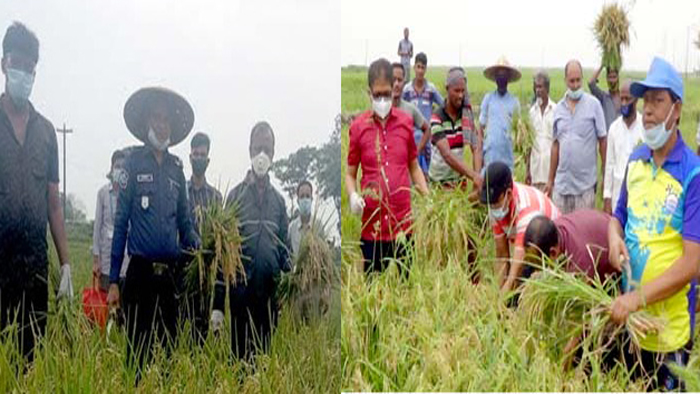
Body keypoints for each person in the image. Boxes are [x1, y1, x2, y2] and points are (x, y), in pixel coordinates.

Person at [608, 57, 700, 391]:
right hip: (634, 328)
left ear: (676, 109)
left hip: (669, 333)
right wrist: (613, 238)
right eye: (645, 100)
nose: (647, 110)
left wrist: (636, 298)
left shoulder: (692, 173)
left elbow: (692, 262)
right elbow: (618, 217)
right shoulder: (636, 160)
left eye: (657, 101)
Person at [108, 87, 199, 381]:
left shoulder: (176, 171)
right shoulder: (133, 164)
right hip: (139, 276)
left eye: (166, 120)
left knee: (168, 360)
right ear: (147, 121)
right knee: (136, 358)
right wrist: (112, 281)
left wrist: (204, 249)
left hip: (168, 279)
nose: (162, 124)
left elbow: (185, 226)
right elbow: (121, 223)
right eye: (156, 118)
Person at [0, 22, 73, 362]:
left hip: (34, 270)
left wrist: (67, 264)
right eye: (18, 64)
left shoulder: (46, 132)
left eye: (31, 68)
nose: (24, 74)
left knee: (31, 363)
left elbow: (54, 204)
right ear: (4, 64)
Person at [211, 121, 291, 360]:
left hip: (268, 302)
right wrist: (217, 306)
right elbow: (222, 255)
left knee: (264, 367)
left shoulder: (279, 203)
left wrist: (287, 289)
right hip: (240, 299)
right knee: (239, 366)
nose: (262, 155)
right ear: (249, 150)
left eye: (267, 149)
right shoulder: (235, 198)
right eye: (258, 148)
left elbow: (285, 252)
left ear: (274, 154)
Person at [346, 58, 428, 276]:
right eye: (377, 95)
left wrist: (428, 198)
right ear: (369, 93)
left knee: (405, 287)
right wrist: (353, 196)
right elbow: (350, 174)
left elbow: (414, 167)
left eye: (386, 94)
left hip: (403, 226)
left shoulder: (405, 123)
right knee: (374, 289)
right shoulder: (358, 128)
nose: (382, 100)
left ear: (394, 90)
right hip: (372, 228)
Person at [481, 162, 560, 293]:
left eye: (495, 202)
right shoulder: (496, 207)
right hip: (530, 249)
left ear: (509, 194)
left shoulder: (526, 210)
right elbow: (501, 255)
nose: (492, 208)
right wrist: (498, 291)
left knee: (527, 286)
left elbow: (517, 268)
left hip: (549, 251)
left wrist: (501, 301)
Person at [545, 60, 607, 214]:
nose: (575, 85)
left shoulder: (594, 105)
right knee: (561, 232)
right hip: (562, 186)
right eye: (571, 81)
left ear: (582, 78)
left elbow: (603, 142)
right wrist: (550, 180)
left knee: (582, 234)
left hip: (584, 188)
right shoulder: (558, 109)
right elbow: (555, 145)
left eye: (578, 80)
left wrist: (605, 174)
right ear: (565, 80)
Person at [181, 131, 222, 345]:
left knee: (199, 333)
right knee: (178, 328)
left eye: (202, 154)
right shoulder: (181, 192)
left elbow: (219, 238)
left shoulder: (215, 198)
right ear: (190, 157)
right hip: (182, 271)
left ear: (207, 160)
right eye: (195, 154)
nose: (198, 158)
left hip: (205, 276)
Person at [523, 210, 617, 281]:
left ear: (553, 253)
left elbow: (581, 296)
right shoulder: (555, 230)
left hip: (620, 256)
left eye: (541, 264)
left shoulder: (580, 257)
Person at [428, 67, 482, 190]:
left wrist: (477, 177)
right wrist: (473, 176)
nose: (460, 95)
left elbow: (476, 147)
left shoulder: (466, 114)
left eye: (463, 91)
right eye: (456, 91)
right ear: (447, 89)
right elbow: (447, 155)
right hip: (439, 184)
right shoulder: (437, 118)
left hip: (459, 183)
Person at [603, 80, 643, 215]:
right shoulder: (614, 129)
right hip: (617, 195)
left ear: (636, 100)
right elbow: (609, 164)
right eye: (622, 99)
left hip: (639, 193)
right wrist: (607, 197)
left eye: (628, 99)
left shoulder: (645, 128)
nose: (624, 103)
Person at [92, 150, 130, 291]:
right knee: (106, 307)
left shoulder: (128, 195)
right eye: (117, 166)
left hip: (125, 263)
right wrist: (96, 260)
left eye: (122, 167)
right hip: (106, 261)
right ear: (112, 167)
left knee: (122, 308)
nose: (119, 170)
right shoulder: (103, 193)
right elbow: (97, 228)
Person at [402, 52, 444, 177]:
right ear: (414, 67)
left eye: (423, 67)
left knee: (427, 175)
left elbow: (443, 105)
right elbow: (399, 107)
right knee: (411, 174)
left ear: (426, 69)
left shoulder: (431, 89)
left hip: (427, 140)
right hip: (411, 138)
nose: (420, 71)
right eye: (418, 67)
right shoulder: (407, 90)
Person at [480, 57, 522, 172]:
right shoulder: (488, 99)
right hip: (490, 155)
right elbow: (480, 129)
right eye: (499, 76)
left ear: (508, 79)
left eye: (504, 76)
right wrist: (479, 157)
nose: (501, 79)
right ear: (495, 79)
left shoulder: (514, 102)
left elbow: (519, 131)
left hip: (507, 156)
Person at [391, 62, 431, 183]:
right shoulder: (381, 109)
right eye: (393, 79)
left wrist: (416, 152)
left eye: (400, 80)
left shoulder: (410, 109)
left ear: (404, 82)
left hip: (407, 176)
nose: (396, 84)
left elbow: (427, 129)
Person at [526, 70, 556, 191]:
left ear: (547, 88)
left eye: (540, 87)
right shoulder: (531, 112)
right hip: (535, 172)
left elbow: (558, 143)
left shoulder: (556, 110)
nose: (538, 90)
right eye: (536, 87)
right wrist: (527, 170)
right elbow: (528, 144)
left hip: (551, 174)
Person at [288, 180, 319, 261]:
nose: (305, 200)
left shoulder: (318, 225)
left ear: (312, 199)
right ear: (298, 201)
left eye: (307, 196)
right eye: (302, 196)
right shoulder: (292, 228)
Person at [589, 64, 621, 132]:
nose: (612, 81)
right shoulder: (603, 97)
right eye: (610, 77)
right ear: (606, 79)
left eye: (614, 77)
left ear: (618, 78)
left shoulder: (623, 97)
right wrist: (602, 65)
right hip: (608, 138)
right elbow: (591, 84)